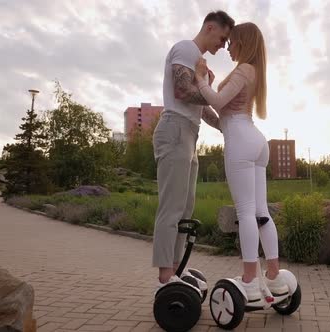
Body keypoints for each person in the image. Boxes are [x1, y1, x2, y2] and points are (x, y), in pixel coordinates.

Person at [194, 22, 288, 301]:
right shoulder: (255, 72)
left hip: (240, 141)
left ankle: (249, 278)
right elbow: (223, 111)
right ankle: (273, 275)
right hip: (256, 141)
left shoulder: (244, 69)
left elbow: (220, 102)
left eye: (233, 41)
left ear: (243, 42)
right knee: (261, 213)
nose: (229, 47)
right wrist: (207, 89)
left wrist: (200, 80)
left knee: (246, 212)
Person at [152, 11, 235, 292]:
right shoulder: (185, 48)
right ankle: (166, 276)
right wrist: (217, 95)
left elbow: (202, 108)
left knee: (185, 208)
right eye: (222, 38)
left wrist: (227, 126)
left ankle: (174, 270)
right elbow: (183, 92)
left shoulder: (200, 63)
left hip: (189, 132)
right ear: (210, 27)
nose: (223, 45)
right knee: (172, 207)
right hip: (175, 128)